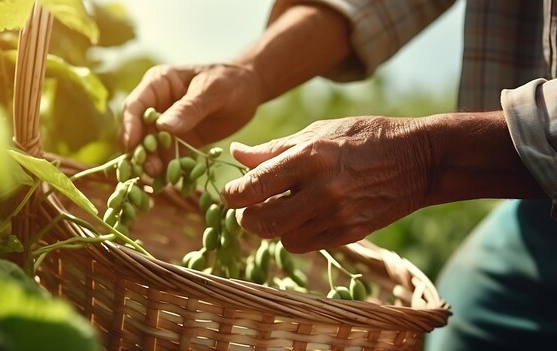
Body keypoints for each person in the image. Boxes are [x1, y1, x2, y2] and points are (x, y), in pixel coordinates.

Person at [119, 1, 557, 350]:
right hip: (540, 205)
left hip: (529, 176)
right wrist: (250, 71)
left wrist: (428, 159)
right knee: (468, 320)